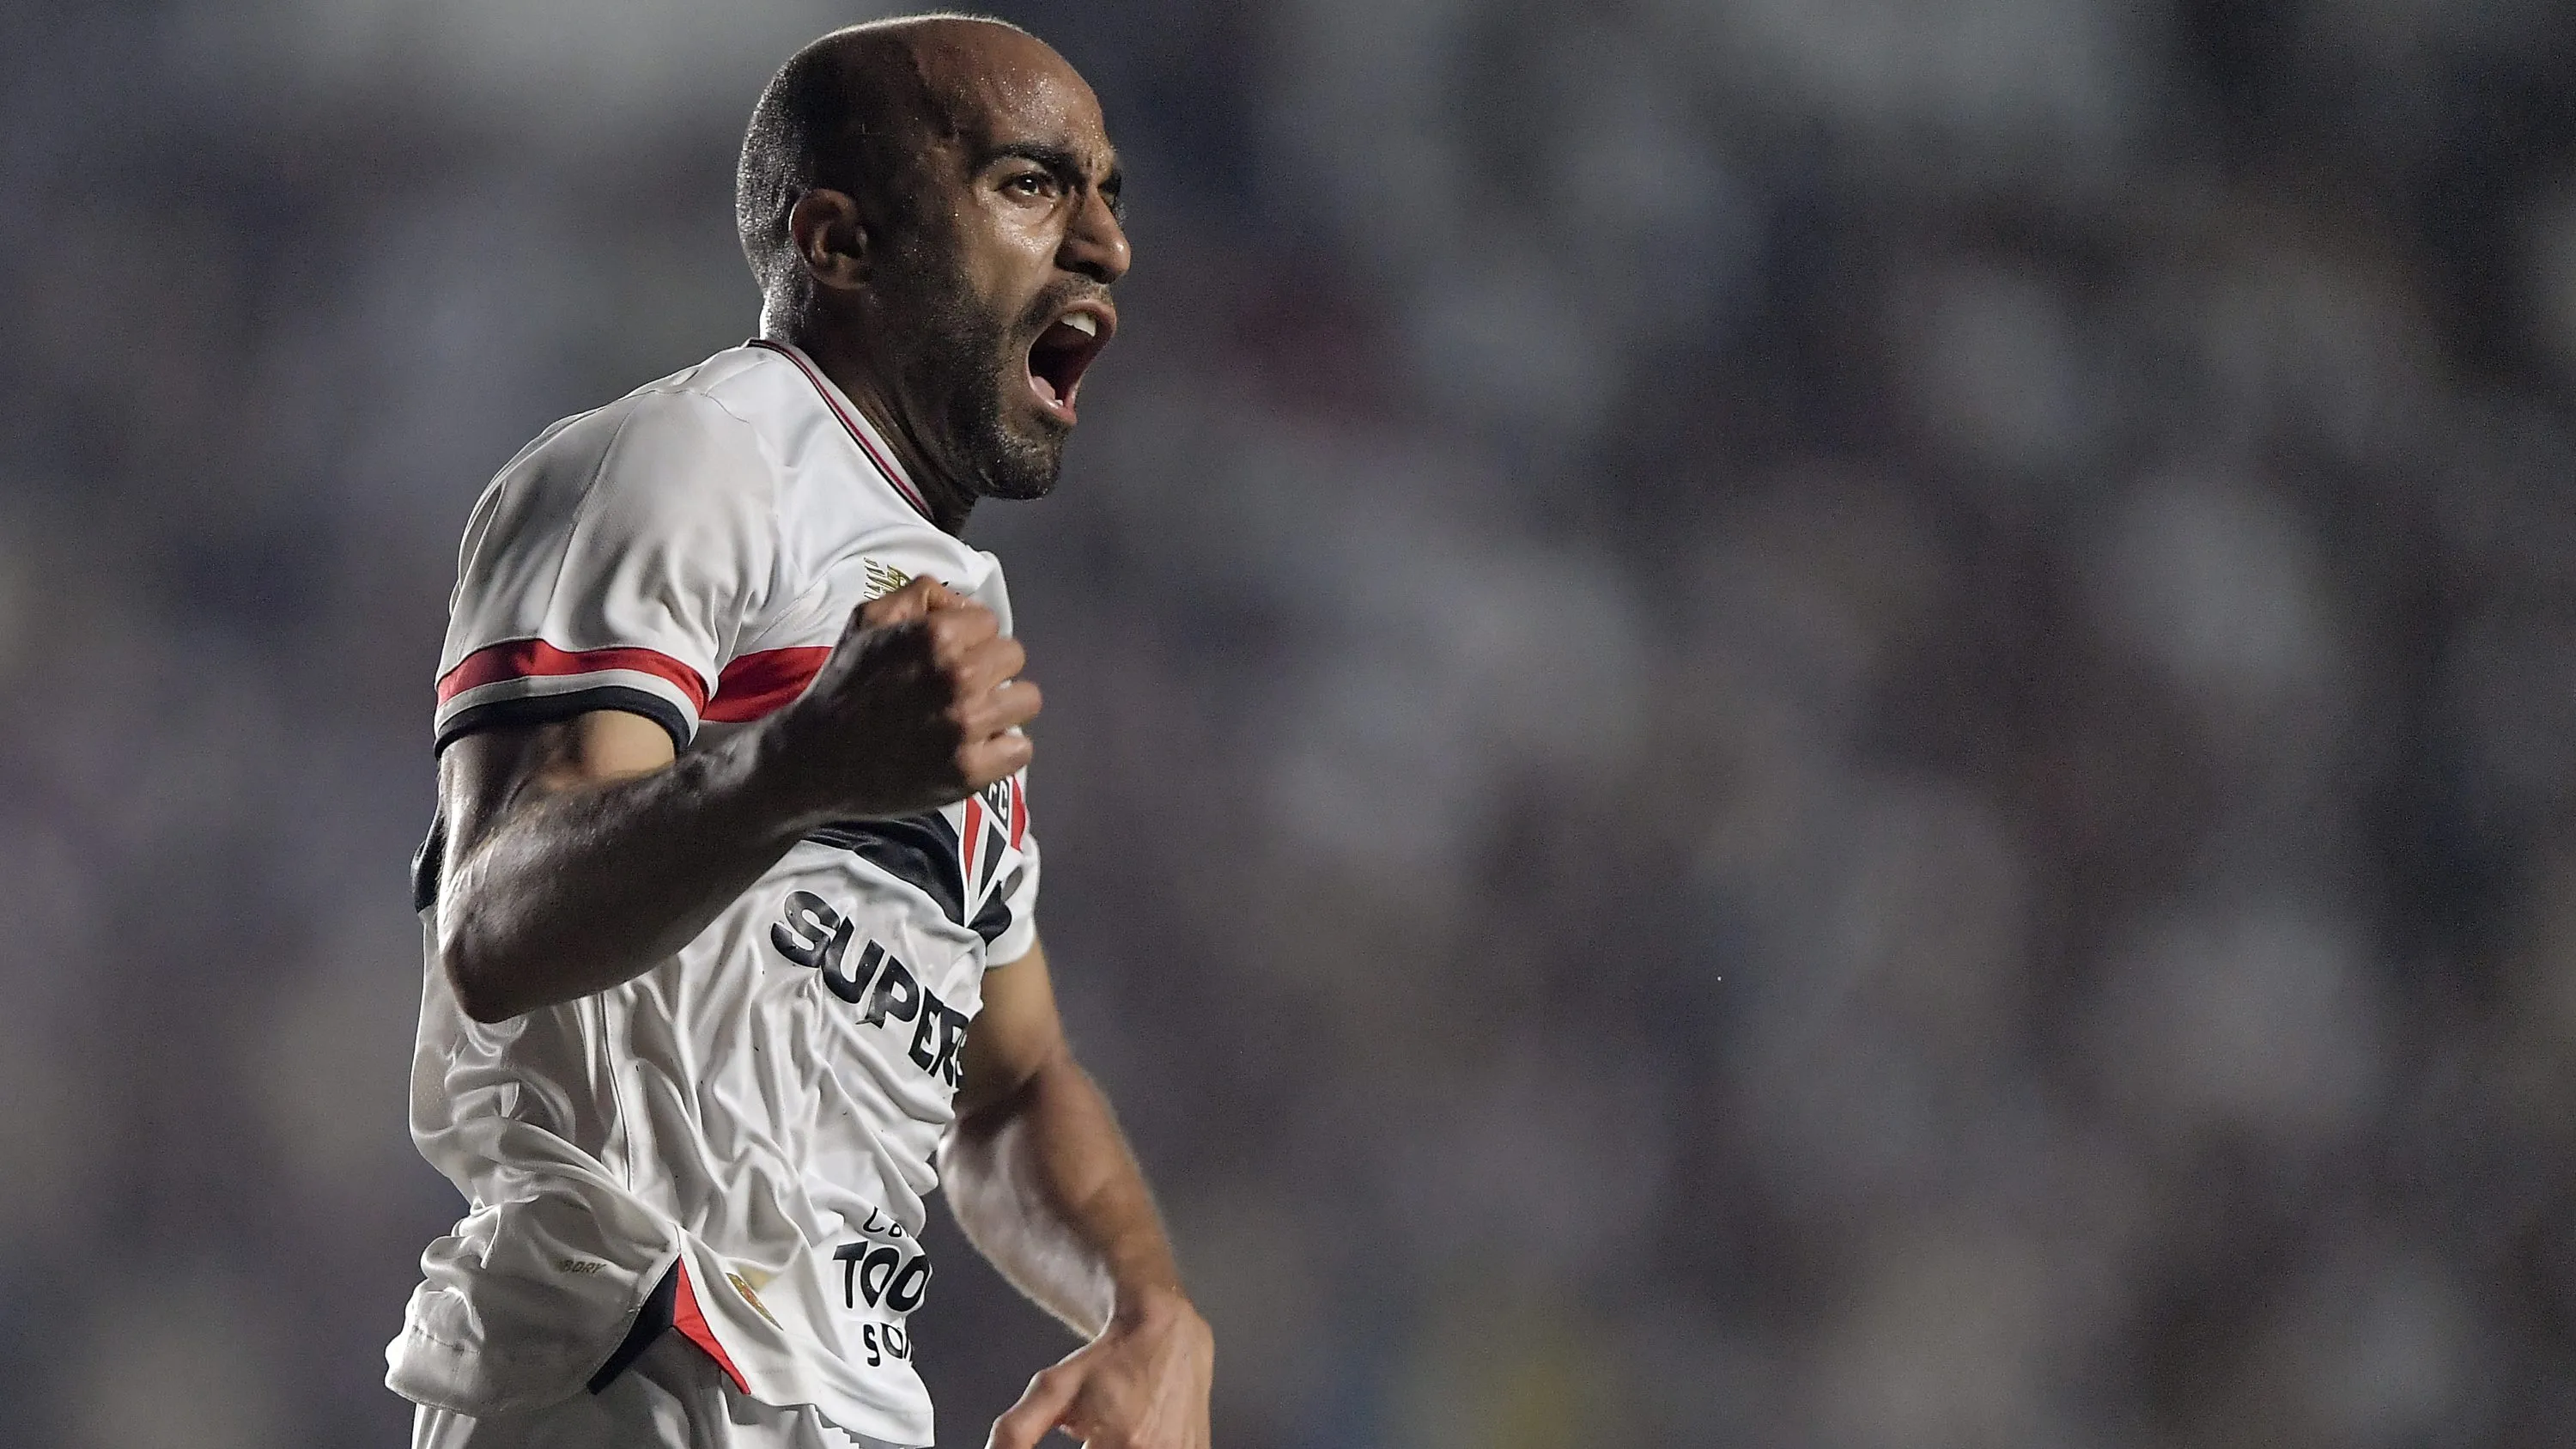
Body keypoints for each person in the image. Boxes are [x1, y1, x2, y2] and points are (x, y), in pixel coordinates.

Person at [387, 15, 1212, 1449]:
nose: (1104, 245)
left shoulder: (946, 606)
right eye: (1031, 183)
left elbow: (1010, 1085)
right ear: (838, 240)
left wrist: (1147, 1308)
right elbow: (497, 920)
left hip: (837, 1400)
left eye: (1110, 194)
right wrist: (799, 763)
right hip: (634, 1368)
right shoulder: (689, 461)